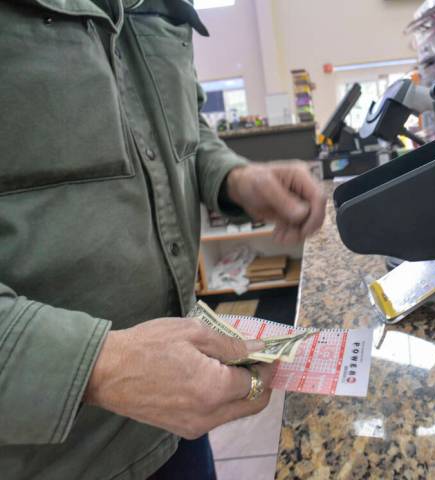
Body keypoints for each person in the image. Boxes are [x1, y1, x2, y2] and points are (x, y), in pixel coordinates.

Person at [0, 0, 326, 478]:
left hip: (173, 425)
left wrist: (232, 177)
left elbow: (184, 126)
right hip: (47, 457)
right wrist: (99, 366)